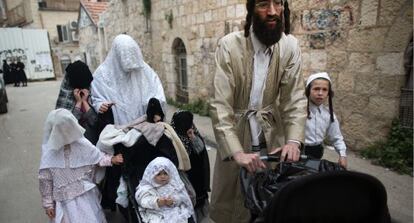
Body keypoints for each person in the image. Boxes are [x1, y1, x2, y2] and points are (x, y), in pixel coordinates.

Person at [208, 0, 307, 222]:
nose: (272, 12)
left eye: (278, 4)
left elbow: (295, 99)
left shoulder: (290, 46)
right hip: (237, 133)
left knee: (270, 201)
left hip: (271, 135)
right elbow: (219, 104)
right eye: (263, 4)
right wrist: (236, 152)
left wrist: (293, 141)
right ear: (251, 8)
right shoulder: (229, 46)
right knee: (234, 205)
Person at [38, 108, 123, 223]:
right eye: (60, 130)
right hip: (63, 202)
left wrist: (111, 159)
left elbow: (96, 156)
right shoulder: (50, 152)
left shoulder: (81, 143)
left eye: (68, 129)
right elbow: (45, 180)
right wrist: (48, 204)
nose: (65, 134)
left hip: (84, 197)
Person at [90, 34, 166, 126]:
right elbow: (96, 97)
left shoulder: (143, 69)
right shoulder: (101, 74)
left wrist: (154, 105)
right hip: (118, 130)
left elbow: (156, 89)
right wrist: (100, 105)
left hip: (144, 127)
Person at [171, 111, 210, 222]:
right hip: (184, 178)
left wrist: (192, 137)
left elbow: (201, 149)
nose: (188, 125)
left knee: (199, 205)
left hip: (197, 176)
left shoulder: (193, 133)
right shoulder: (173, 139)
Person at [304, 72, 347, 168]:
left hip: (317, 153)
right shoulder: (299, 111)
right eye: (316, 89)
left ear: (328, 93)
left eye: (324, 90)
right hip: (298, 152)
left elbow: (337, 137)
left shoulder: (328, 114)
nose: (320, 93)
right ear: (308, 91)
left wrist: (342, 155)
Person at [135, 157, 194, 223]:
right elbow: (143, 200)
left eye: (165, 173)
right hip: (155, 213)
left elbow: (181, 198)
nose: (162, 176)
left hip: (173, 211)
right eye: (158, 174)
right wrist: (156, 202)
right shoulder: (147, 187)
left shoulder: (173, 185)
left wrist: (173, 201)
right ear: (152, 175)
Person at [55, 60, 99, 144]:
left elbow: (95, 122)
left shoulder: (91, 93)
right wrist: (78, 103)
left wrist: (85, 102)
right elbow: (66, 126)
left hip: (92, 144)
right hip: (73, 144)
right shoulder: (65, 95)